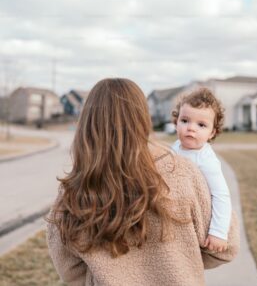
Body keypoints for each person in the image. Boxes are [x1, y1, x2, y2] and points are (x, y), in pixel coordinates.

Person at [47, 78, 239, 286]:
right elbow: (225, 248)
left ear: (87, 122)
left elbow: (68, 269)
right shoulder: (182, 172)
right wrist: (179, 263)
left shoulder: (72, 191)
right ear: (142, 118)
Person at [171, 87, 231, 253]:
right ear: (176, 122)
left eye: (201, 125)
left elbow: (221, 195)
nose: (191, 128)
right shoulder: (175, 147)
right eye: (185, 121)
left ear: (212, 133)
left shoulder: (206, 159)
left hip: (194, 219)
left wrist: (218, 232)